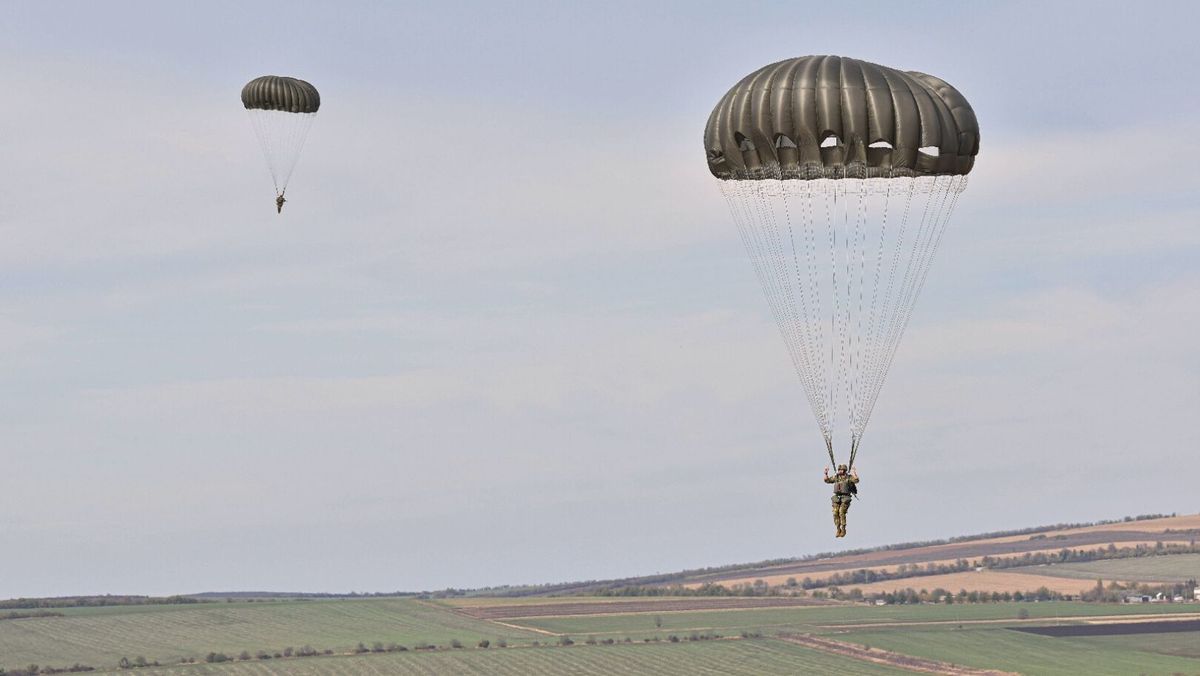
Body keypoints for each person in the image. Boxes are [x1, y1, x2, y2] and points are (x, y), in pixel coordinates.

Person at [823, 464, 859, 537]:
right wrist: (826, 474)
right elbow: (827, 480)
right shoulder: (836, 477)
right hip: (837, 497)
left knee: (841, 512)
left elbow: (856, 480)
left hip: (845, 497)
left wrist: (854, 472)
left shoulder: (848, 477)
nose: (839, 471)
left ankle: (843, 529)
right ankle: (838, 529)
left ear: (844, 470)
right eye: (839, 470)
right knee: (835, 512)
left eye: (841, 470)